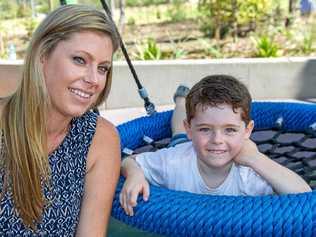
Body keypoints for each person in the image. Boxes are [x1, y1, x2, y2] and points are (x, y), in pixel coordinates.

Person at [0, 5, 121, 236]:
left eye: (103, 68)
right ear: (42, 55)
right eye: (79, 60)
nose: (94, 80)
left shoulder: (99, 139)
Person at [120, 74, 311, 216]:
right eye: (205, 129)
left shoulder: (248, 174)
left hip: (194, 146)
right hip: (185, 148)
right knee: (178, 137)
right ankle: (181, 103)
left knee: (180, 137)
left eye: (230, 130)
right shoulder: (174, 161)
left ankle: (185, 108)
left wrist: (255, 158)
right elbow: (129, 161)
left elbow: (304, 197)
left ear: (247, 130)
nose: (217, 140)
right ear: (191, 128)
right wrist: (135, 175)